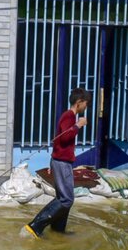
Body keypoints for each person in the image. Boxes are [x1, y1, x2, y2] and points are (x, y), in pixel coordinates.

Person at [23, 87, 91, 238]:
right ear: (79, 102)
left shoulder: (69, 117)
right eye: (86, 103)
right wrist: (79, 125)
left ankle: (58, 230)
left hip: (61, 162)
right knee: (67, 199)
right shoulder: (69, 116)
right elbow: (65, 137)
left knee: (63, 198)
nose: (87, 107)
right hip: (61, 162)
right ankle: (35, 226)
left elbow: (61, 140)